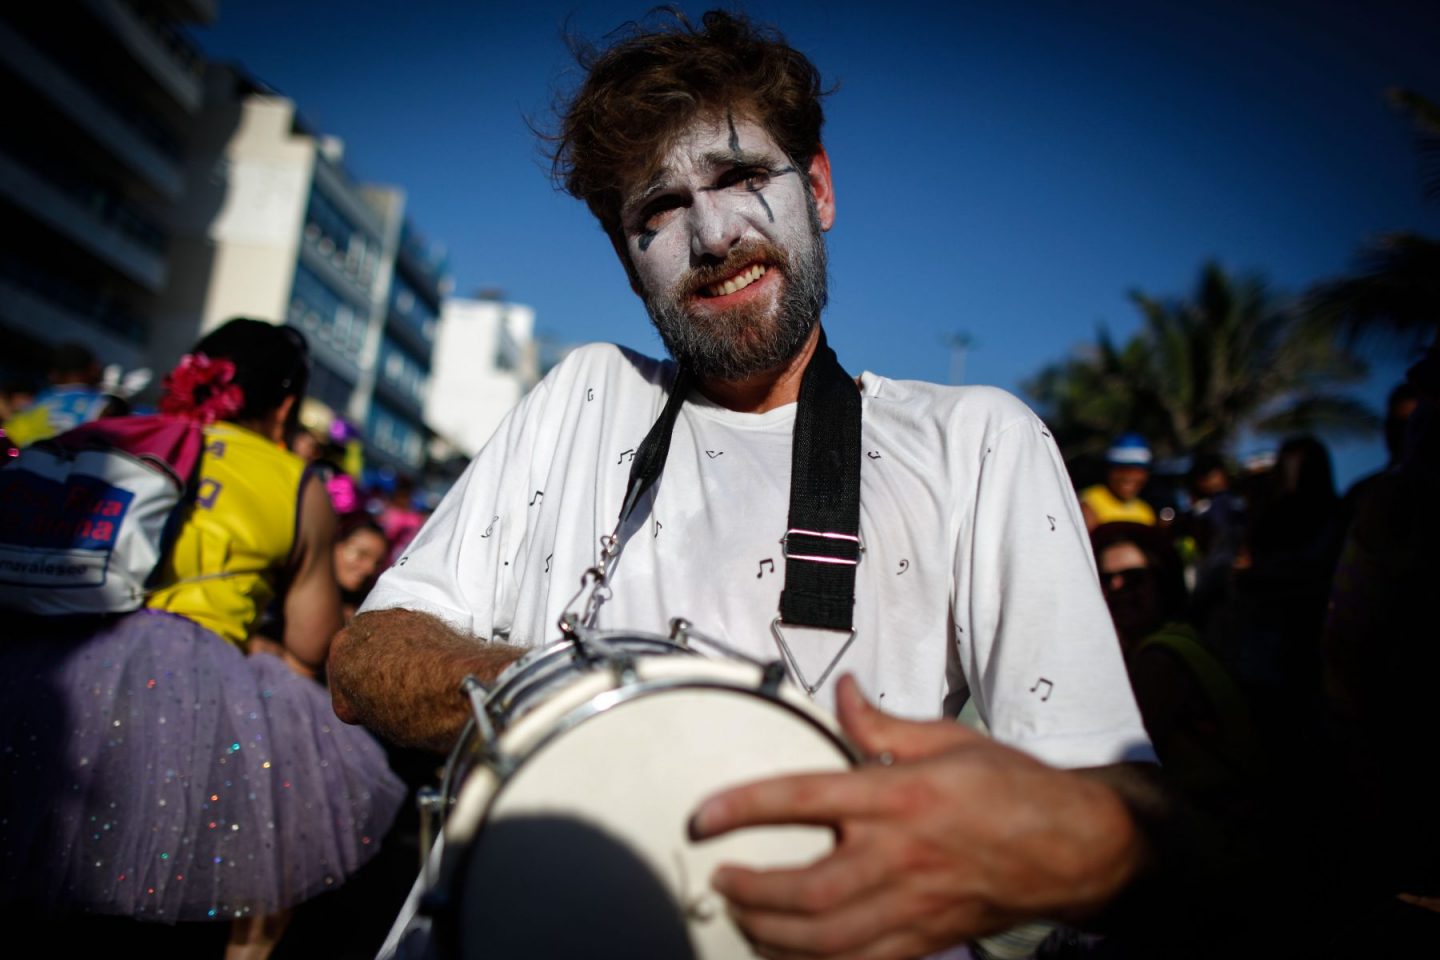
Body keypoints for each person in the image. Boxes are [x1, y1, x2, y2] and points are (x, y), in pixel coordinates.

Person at [328, 11, 1158, 956]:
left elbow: (1117, 797)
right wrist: (590, 713)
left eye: (741, 177)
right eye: (659, 208)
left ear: (819, 189)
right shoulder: (587, 395)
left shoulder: (977, 443)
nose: (715, 235)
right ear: (627, 262)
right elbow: (365, 659)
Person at [0, 320, 404, 950]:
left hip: (46, 664)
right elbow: (311, 642)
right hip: (189, 705)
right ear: (285, 406)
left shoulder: (115, 435)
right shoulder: (294, 480)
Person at [2, 341, 122, 448]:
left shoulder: (37, 401)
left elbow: (8, 437)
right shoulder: (101, 405)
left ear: (54, 374)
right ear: (93, 369)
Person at [1078, 433, 1157, 531]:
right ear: (1109, 470)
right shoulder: (1089, 503)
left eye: (1137, 470)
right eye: (1122, 469)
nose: (1128, 477)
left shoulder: (1146, 512)